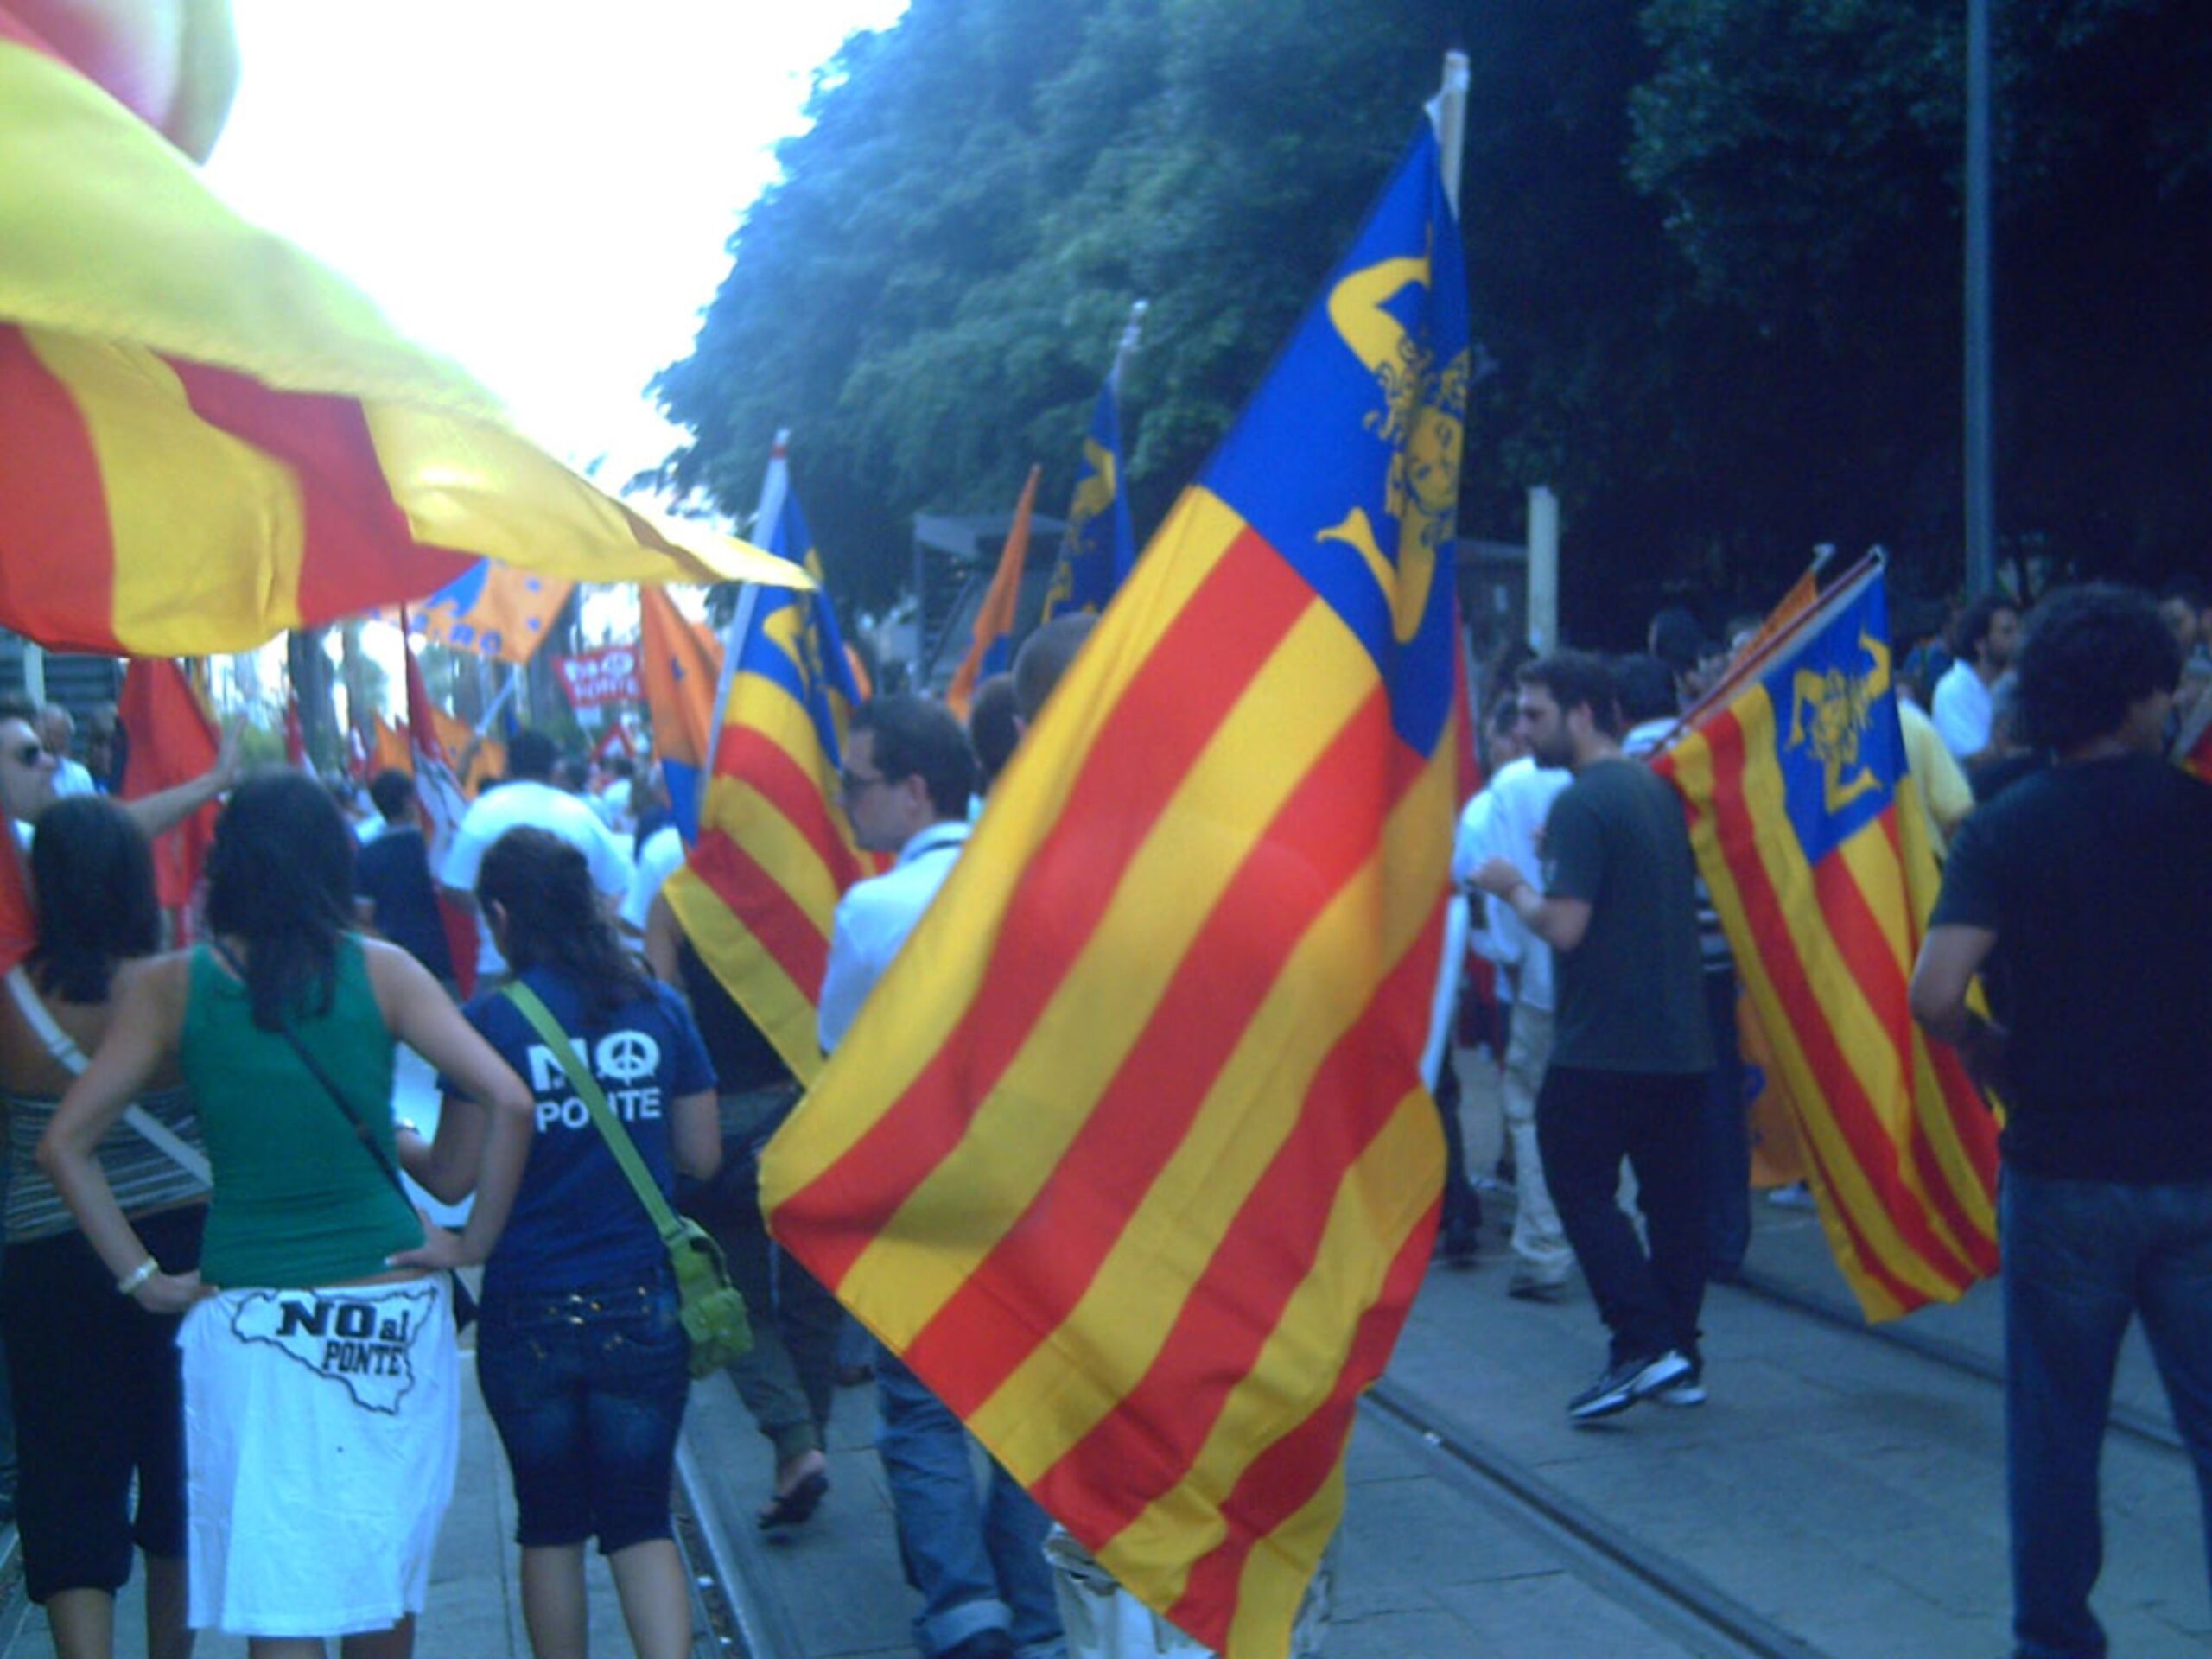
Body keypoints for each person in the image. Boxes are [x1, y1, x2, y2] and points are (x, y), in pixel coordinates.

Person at [40, 773, 536, 1657]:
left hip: (250, 1310)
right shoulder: (382, 970)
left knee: (281, 1583)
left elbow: (64, 1144)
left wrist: (144, 1279)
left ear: (227, 866)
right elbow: (507, 1097)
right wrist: (473, 1240)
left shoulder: (169, 986)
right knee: (378, 1567)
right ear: (329, 861)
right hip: (387, 1301)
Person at [1910, 584, 2212, 1659]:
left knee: (2055, 1433)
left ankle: (2054, 1641)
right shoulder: (2197, 818)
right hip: (2197, 1164)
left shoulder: (2005, 828)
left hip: (2060, 1168)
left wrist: (1993, 1058)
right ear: (2138, 695)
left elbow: (1935, 993)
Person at [406, 827, 720, 1659]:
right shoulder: (659, 1008)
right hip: (643, 1303)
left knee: (548, 1526)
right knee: (640, 1518)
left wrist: (388, 1135)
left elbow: (450, 1176)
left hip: (528, 1309)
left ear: (503, 916)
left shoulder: (490, 1025)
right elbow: (702, 1153)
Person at [821, 694, 1061, 1659]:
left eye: (857, 783)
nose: (846, 802)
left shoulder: (874, 910)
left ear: (915, 792)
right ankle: (1038, 1616)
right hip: (1037, 1191)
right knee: (1027, 1404)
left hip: (919, 1196)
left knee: (920, 1404)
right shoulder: (1038, 881)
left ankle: (964, 1611)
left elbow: (839, 1049)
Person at [1471, 652, 1713, 1421]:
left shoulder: (1584, 802)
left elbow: (1565, 927)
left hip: (1603, 1041)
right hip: (1679, 1039)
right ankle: (1680, 1354)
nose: (1520, 730)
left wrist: (1511, 885)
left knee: (1577, 1181)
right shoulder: (1651, 789)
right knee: (1674, 1204)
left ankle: (1639, 1341)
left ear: (1583, 712)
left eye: (1535, 713)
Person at [1, 798, 207, 1659]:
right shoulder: (182, 987)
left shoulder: (9, 1002)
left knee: (66, 1475)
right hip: (188, 1247)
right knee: (179, 1475)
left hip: (47, 1260)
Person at [645, 886, 843, 1531]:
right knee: (814, 1296)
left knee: (736, 1303)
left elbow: (657, 1004)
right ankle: (807, 1450)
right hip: (808, 1108)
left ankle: (796, 1445)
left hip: (723, 1121)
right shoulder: (802, 871)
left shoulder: (677, 900)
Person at [1458, 712, 1573, 1300]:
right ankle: (1626, 1231)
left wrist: (1505, 959)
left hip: (1536, 980)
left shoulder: (1508, 791)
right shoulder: (1614, 777)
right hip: (1602, 985)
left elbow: (1488, 890)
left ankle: (1543, 1248)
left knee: (1530, 1111)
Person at [440, 728, 633, 985]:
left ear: (507, 766)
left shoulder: (483, 813)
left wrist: (491, 913)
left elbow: (454, 885)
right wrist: (582, 922)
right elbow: (620, 886)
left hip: (500, 969)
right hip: (575, 970)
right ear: (555, 769)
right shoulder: (579, 815)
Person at [353, 770, 456, 988]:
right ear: (410, 801)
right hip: (449, 957)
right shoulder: (436, 848)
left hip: (399, 967)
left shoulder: (366, 855)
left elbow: (363, 918)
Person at [1931, 593, 2021, 763]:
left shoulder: (2017, 681)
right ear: (1980, 644)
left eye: (2018, 630)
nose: (2018, 639)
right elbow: (1973, 761)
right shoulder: (1952, 690)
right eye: (2007, 632)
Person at [39, 704, 99, 798]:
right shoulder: (25, 772)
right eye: (48, 732)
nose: (49, 739)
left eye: (60, 734)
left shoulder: (79, 776)